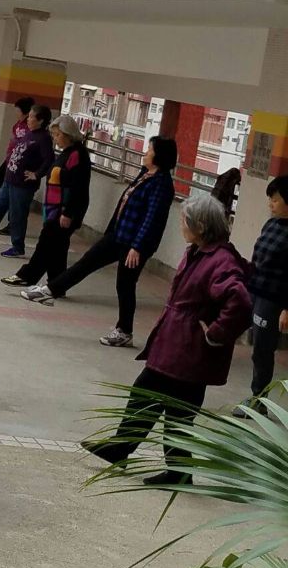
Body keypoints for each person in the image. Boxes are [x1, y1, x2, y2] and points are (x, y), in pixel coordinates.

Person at [82, 194, 252, 487]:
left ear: (201, 225)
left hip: (189, 350)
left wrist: (214, 334)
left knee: (173, 410)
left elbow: (241, 303)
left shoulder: (221, 261)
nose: (182, 224)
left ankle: (166, 466)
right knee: (153, 399)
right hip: (175, 344)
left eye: (185, 220)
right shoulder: (198, 251)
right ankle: (131, 451)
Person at [20, 135, 178, 347]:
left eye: (149, 149)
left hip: (134, 245)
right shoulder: (145, 174)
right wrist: (111, 231)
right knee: (87, 262)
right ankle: (50, 290)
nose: (145, 152)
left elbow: (152, 219)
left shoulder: (161, 184)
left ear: (159, 155)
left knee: (125, 285)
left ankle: (124, 331)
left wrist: (137, 247)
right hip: (117, 235)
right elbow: (125, 204)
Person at [2, 114, 92, 289]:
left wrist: (68, 212)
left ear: (68, 134)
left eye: (58, 135)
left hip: (63, 210)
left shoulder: (77, 154)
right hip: (54, 208)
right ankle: (56, 283)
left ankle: (27, 276)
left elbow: (79, 187)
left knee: (46, 244)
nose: (55, 139)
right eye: (54, 135)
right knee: (58, 248)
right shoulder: (67, 153)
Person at [233, 174, 288, 416]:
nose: (270, 204)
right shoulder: (271, 224)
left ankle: (259, 400)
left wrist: (286, 308)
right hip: (253, 290)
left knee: (262, 351)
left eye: (275, 200)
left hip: (273, 300)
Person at [0, 103, 54, 258]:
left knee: (17, 215)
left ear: (40, 120)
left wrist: (37, 174)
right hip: (10, 179)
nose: (28, 119)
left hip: (22, 184)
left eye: (32, 117)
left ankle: (17, 246)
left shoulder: (44, 138)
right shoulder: (29, 133)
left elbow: (49, 160)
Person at [0, 97, 34, 239]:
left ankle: (13, 235)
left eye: (18, 110)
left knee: (16, 204)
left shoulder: (31, 131)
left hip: (18, 168)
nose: (16, 113)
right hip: (10, 162)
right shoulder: (19, 124)